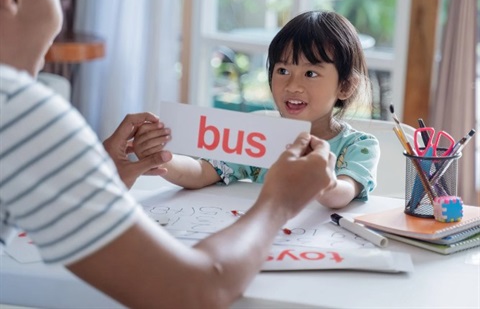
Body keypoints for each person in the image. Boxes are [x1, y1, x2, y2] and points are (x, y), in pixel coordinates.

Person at [0, 0, 336, 307]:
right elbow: (194, 291)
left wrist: (99, 174)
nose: (60, 16)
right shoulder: (18, 109)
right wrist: (279, 202)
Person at [134, 11, 380, 209]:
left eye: (310, 73)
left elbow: (343, 194)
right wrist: (164, 159)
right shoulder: (259, 137)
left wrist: (325, 185)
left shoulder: (358, 146)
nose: (293, 85)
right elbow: (201, 172)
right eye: (283, 71)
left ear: (345, 86)